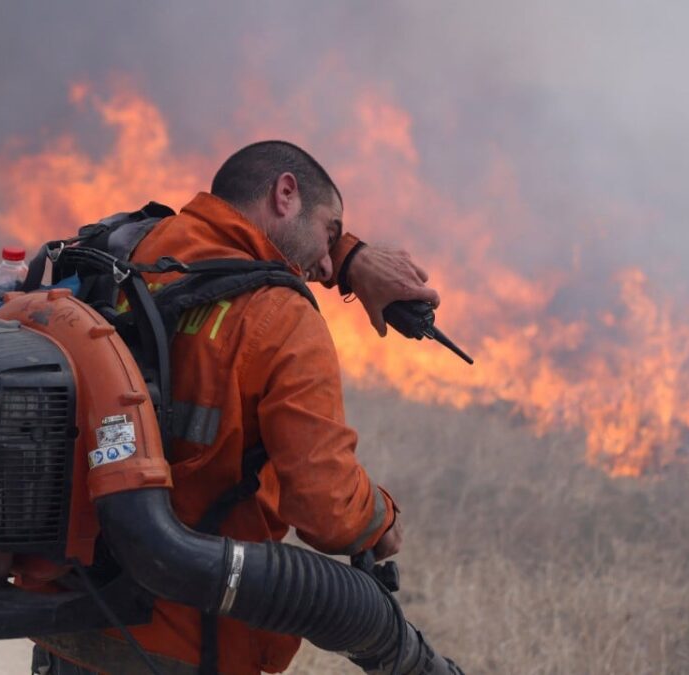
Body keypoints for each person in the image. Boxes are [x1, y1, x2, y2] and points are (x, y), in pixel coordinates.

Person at [32, 140, 440, 674]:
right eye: (330, 234)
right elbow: (327, 507)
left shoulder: (124, 252)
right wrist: (379, 517)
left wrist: (350, 255)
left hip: (70, 626)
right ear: (285, 193)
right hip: (188, 642)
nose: (324, 264)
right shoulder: (281, 320)